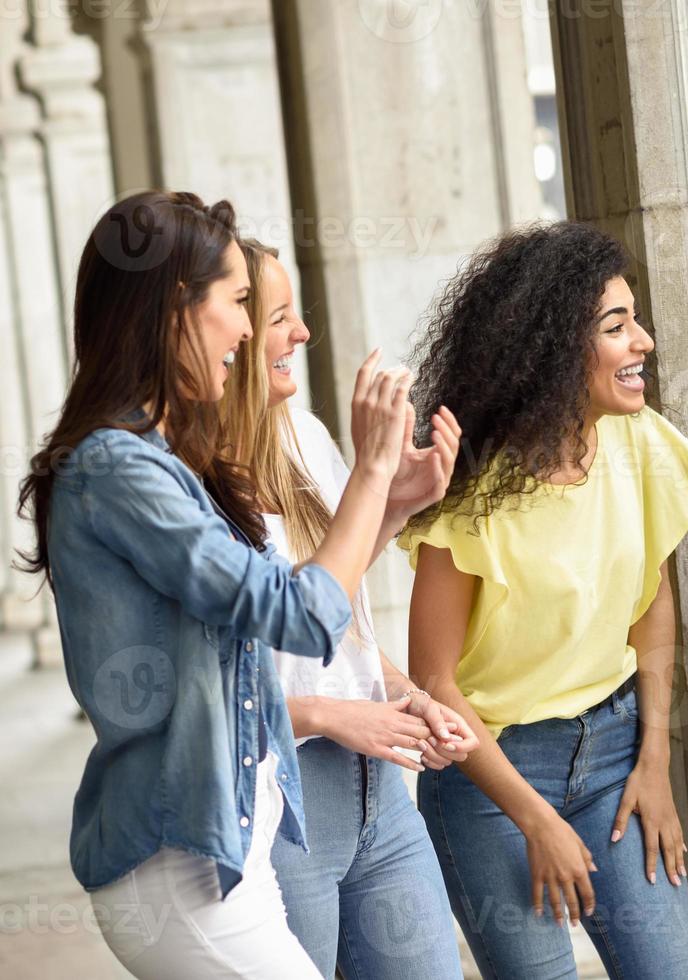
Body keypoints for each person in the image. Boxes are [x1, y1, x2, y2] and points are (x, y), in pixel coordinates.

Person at [16, 192, 442, 978]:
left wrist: (392, 498)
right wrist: (374, 472)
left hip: (227, 855)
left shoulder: (154, 458)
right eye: (241, 302)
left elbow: (263, 641)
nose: (250, 331)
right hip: (178, 872)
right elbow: (296, 614)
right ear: (175, 307)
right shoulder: (118, 467)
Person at [399, 221, 688, 978]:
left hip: (615, 758)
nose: (643, 343)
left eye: (633, 320)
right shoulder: (467, 494)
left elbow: (651, 604)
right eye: (616, 326)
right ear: (550, 347)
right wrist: (532, 817)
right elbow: (434, 686)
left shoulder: (641, 447)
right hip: (492, 778)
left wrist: (654, 761)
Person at [218, 238, 473, 978]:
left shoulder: (304, 435)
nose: (301, 334)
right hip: (284, 801)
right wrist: (332, 717)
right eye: (278, 317)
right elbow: (213, 691)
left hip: (380, 794)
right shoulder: (185, 486)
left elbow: (337, 626)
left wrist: (408, 698)